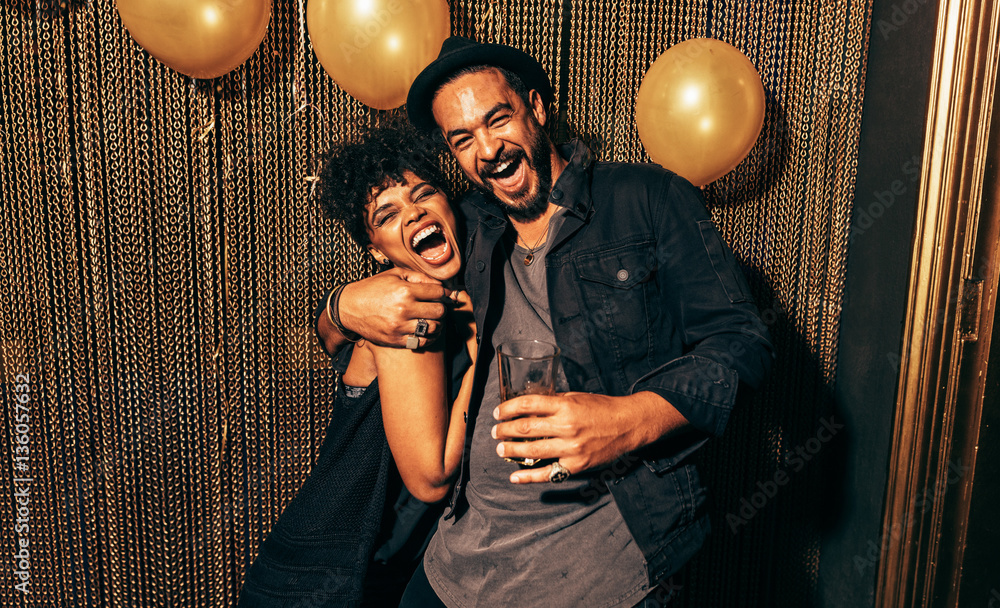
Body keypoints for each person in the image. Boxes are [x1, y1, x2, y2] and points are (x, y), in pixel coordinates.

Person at [320, 37, 775, 607]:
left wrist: (628, 420)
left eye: (497, 119)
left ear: (536, 107)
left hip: (598, 578)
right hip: (454, 570)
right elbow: (376, 285)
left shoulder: (649, 199)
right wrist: (340, 307)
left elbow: (741, 343)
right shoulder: (469, 223)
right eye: (463, 140)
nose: (486, 149)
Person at [239, 119, 477, 608]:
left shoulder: (416, 300)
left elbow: (331, 338)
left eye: (424, 194)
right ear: (374, 249)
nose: (414, 215)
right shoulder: (399, 311)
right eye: (388, 215)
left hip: (367, 567)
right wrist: (485, 355)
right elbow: (429, 478)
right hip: (323, 581)